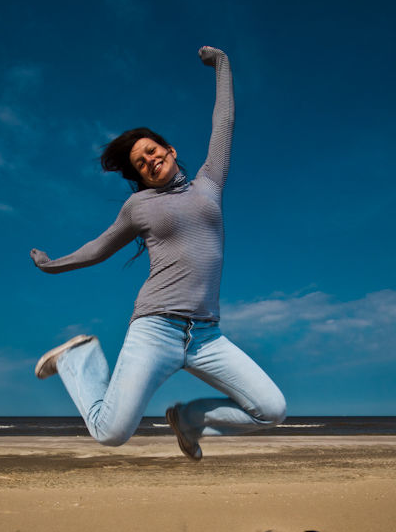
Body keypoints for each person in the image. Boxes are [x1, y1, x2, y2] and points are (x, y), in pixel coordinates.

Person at [30, 46, 286, 460]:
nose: (149, 160)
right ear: (139, 175)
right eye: (139, 163)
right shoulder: (139, 206)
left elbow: (224, 121)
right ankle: (78, 358)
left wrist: (222, 64)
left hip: (206, 335)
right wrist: (52, 265)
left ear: (169, 149)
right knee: (110, 433)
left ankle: (188, 419)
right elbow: (99, 247)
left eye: (152, 151)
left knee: (271, 410)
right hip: (155, 328)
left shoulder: (209, 183)